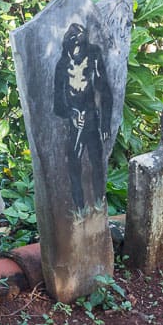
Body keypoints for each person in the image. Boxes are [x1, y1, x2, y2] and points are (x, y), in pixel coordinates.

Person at [53, 23, 113, 210]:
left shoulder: (93, 55)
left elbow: (105, 92)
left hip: (92, 117)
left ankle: (98, 204)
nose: (78, 51)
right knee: (74, 163)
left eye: (81, 46)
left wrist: (105, 124)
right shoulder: (62, 65)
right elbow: (58, 104)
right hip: (75, 120)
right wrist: (71, 114)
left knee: (97, 161)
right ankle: (79, 208)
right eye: (75, 47)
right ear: (68, 46)